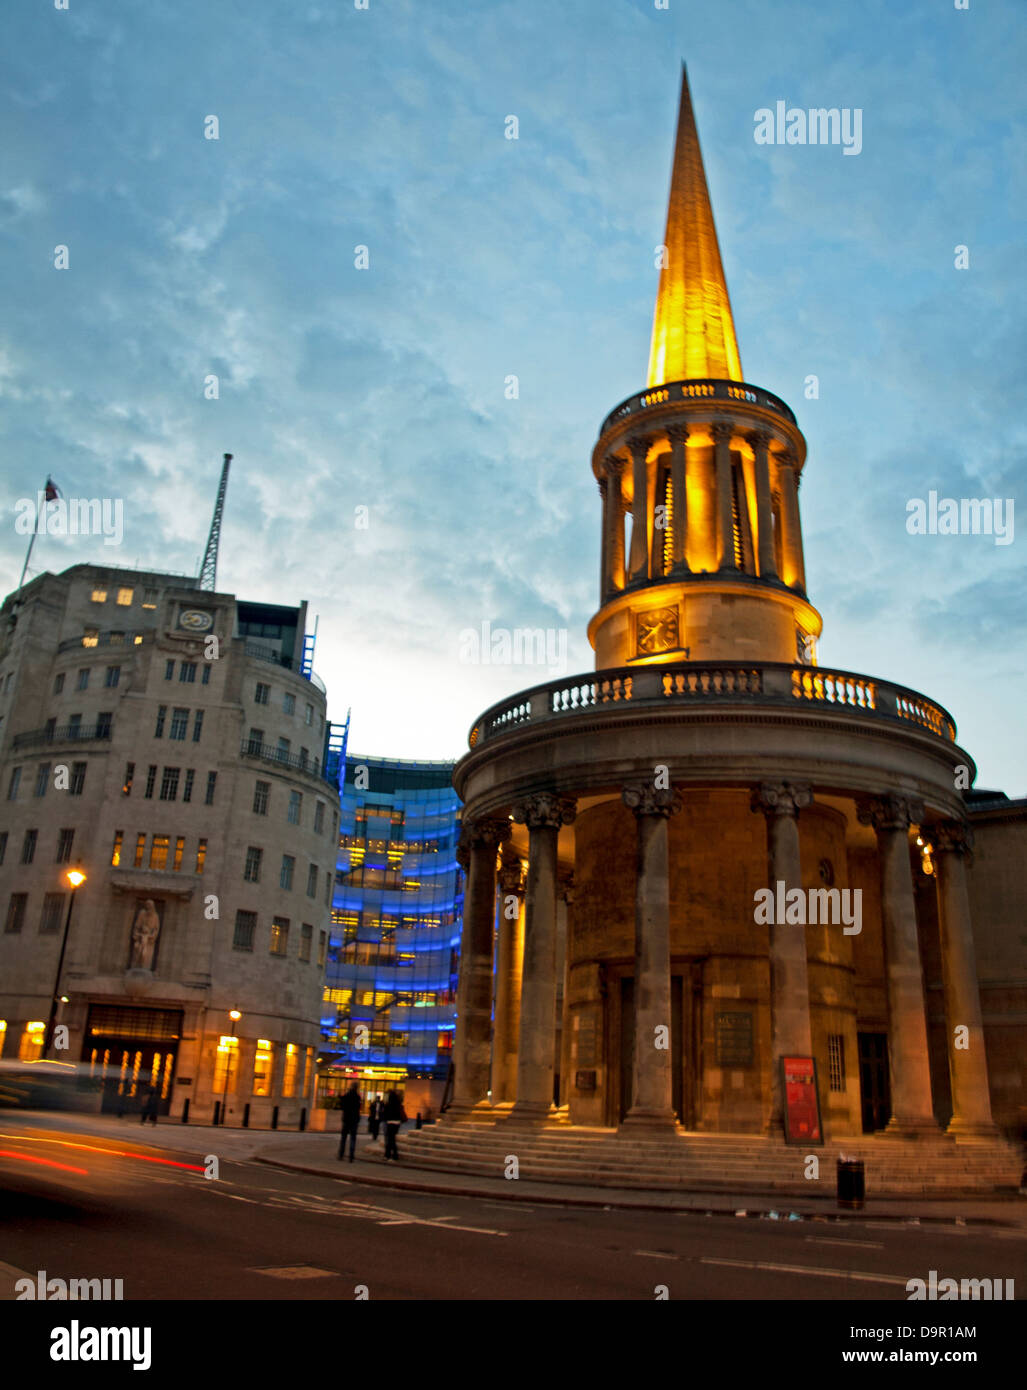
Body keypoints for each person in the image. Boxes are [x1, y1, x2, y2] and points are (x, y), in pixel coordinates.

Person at [338, 1082, 362, 1162]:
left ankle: (341, 1154)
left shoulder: (347, 1095)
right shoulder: (357, 1097)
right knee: (353, 1138)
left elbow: (342, 1105)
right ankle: (351, 1156)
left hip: (347, 1118)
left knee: (344, 1138)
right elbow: (358, 1108)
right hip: (354, 1119)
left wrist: (341, 1097)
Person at [382, 1089, 406, 1161]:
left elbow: (385, 1114)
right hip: (396, 1123)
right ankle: (390, 1155)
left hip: (390, 1122)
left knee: (390, 1140)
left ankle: (392, 1155)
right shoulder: (398, 1104)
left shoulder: (388, 1104)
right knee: (391, 1139)